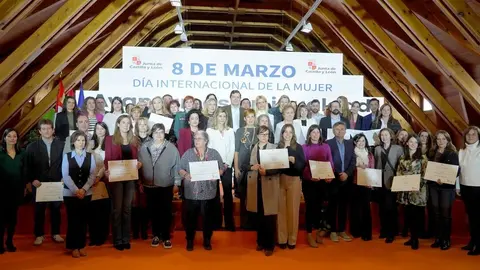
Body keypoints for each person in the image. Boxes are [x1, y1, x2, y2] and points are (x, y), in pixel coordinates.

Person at [178, 130, 224, 251]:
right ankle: (189, 240)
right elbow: (180, 168)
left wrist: (217, 173)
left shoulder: (214, 153)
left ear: (206, 141)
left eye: (199, 138)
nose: (196, 141)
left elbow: (222, 168)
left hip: (209, 192)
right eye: (195, 138)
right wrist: (186, 175)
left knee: (207, 218)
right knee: (190, 218)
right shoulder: (188, 153)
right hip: (192, 192)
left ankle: (207, 240)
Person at [139, 123, 181, 249]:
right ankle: (156, 235)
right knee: (153, 211)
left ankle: (166, 236)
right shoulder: (144, 147)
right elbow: (139, 166)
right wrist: (140, 182)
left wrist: (177, 183)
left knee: (166, 211)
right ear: (152, 133)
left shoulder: (171, 148)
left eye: (161, 132)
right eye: (156, 132)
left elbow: (177, 166)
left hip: (165, 184)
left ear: (165, 133)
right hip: (149, 185)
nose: (158, 135)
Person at [104, 115, 142, 251]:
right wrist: (107, 171)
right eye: (123, 122)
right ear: (118, 124)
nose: (126, 125)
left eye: (128, 123)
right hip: (116, 178)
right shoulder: (110, 139)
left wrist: (138, 164)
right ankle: (117, 239)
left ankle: (126, 238)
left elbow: (137, 158)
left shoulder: (134, 140)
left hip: (130, 178)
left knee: (127, 209)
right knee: (117, 210)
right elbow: (107, 158)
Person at [26, 119, 65, 246]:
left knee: (56, 209)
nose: (46, 131)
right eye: (43, 129)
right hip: (39, 183)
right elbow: (27, 166)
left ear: (53, 130)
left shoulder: (61, 145)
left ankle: (56, 233)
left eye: (49, 128)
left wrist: (63, 177)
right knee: (39, 211)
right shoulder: (32, 147)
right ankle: (39, 235)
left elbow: (65, 163)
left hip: (56, 182)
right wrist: (32, 179)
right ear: (39, 131)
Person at [245, 126, 279, 256]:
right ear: (257, 136)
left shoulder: (274, 148)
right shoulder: (253, 148)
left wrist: (267, 171)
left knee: (269, 216)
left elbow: (279, 167)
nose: (264, 137)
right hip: (256, 186)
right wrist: (251, 167)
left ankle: (269, 245)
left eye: (266, 134)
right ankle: (260, 241)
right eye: (262, 134)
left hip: (269, 184)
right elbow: (244, 165)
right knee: (258, 216)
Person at [62, 131, 96, 258]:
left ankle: (81, 245)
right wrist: (76, 190)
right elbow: (65, 175)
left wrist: (84, 189)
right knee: (73, 220)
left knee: (83, 220)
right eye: (78, 140)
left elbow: (92, 175)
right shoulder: (67, 156)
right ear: (73, 142)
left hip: (86, 194)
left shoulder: (90, 156)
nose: (81, 143)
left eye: (83, 140)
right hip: (70, 194)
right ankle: (73, 246)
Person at [302, 125, 333, 247]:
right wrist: (310, 176)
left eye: (317, 132)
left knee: (322, 208)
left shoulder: (326, 146)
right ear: (309, 134)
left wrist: (329, 175)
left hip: (323, 181)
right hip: (309, 182)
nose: (315, 134)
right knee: (310, 208)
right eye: (313, 132)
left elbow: (330, 161)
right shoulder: (304, 147)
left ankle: (319, 233)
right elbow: (303, 164)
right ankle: (309, 234)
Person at [276, 124, 305, 249]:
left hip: (294, 180)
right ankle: (282, 239)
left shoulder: (298, 147)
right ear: (282, 133)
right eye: (285, 132)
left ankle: (292, 240)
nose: (287, 134)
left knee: (293, 211)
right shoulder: (278, 147)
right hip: (280, 180)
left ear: (293, 134)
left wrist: (294, 161)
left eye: (290, 132)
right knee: (280, 211)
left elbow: (301, 166)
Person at [396, 135, 428, 250]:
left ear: (418, 144)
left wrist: (416, 184)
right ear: (407, 143)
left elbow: (425, 175)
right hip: (405, 191)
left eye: (415, 142)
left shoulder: (423, 158)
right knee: (408, 214)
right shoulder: (402, 157)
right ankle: (411, 237)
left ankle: (415, 239)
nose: (413, 144)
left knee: (416, 216)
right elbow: (399, 172)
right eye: (410, 141)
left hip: (417, 191)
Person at [429, 130, 459, 251]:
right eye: (438, 139)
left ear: (447, 140)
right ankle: (438, 238)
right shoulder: (432, 153)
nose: (440, 141)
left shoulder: (452, 154)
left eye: (443, 139)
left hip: (446, 188)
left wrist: (445, 179)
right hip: (433, 186)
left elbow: (456, 171)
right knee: (435, 213)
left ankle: (446, 239)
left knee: (445, 214)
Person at [206, 108, 236, 231]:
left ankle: (229, 223)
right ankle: (215, 222)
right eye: (220, 116)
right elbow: (210, 149)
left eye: (224, 116)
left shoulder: (230, 131)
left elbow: (232, 148)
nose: (222, 118)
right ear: (216, 117)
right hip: (214, 166)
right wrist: (217, 165)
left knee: (228, 194)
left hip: (227, 166)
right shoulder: (210, 131)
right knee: (214, 195)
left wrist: (226, 164)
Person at [326, 122, 355, 242]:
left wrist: (347, 173)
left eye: (342, 129)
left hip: (347, 179)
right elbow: (327, 160)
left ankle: (342, 230)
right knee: (332, 205)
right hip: (333, 178)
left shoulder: (350, 143)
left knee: (344, 206)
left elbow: (353, 160)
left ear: (345, 131)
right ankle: (333, 231)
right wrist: (338, 173)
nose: (339, 131)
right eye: (337, 129)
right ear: (333, 131)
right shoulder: (328, 143)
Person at [374, 128, 404, 243]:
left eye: (386, 135)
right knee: (381, 208)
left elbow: (401, 165)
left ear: (391, 136)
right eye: (382, 135)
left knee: (390, 208)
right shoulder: (377, 149)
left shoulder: (398, 149)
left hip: (392, 182)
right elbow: (376, 164)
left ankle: (391, 232)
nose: (384, 137)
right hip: (380, 182)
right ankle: (384, 230)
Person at [0, 128, 25, 254]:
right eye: (9, 136)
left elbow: (25, 171)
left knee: (12, 220)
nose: (12, 138)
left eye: (14, 136)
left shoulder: (22, 153)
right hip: (2, 192)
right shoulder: (0, 153)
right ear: (4, 138)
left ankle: (9, 242)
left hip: (16, 191)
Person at [234, 109, 258, 230]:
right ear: (244, 119)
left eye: (252, 116)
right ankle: (244, 223)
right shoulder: (239, 131)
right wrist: (236, 167)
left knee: (254, 195)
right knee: (243, 196)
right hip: (242, 167)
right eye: (248, 117)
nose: (250, 119)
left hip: (255, 167)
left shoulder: (258, 130)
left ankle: (254, 222)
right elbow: (236, 151)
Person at [87, 122, 111, 247]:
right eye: (97, 128)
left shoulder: (111, 143)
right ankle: (93, 236)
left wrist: (98, 177)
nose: (100, 130)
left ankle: (102, 236)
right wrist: (92, 178)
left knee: (103, 210)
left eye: (102, 128)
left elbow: (108, 162)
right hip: (90, 182)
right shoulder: (90, 144)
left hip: (105, 180)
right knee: (92, 210)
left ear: (106, 130)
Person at [458, 126, 480, 256]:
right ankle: (473, 241)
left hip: (478, 188)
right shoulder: (461, 151)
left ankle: (479, 244)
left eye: (474, 134)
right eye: (468, 134)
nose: (470, 136)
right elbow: (458, 171)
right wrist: (457, 187)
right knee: (471, 217)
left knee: (478, 218)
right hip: (465, 187)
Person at [351, 133, 374, 241]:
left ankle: (367, 232)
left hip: (366, 184)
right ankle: (356, 231)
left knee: (366, 208)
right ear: (355, 142)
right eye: (359, 141)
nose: (361, 143)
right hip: (355, 184)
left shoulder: (370, 154)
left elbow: (372, 169)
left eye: (363, 141)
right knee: (355, 208)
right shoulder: (352, 153)